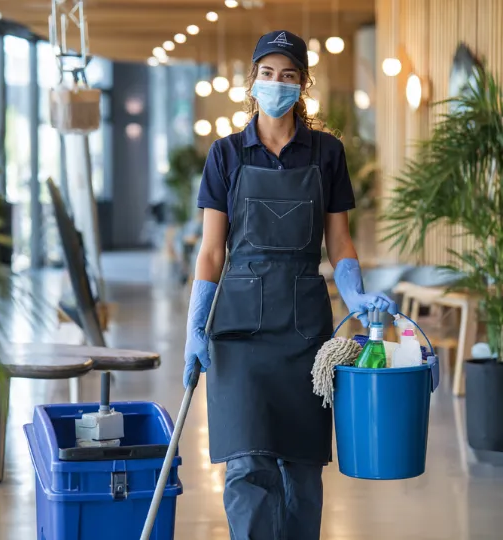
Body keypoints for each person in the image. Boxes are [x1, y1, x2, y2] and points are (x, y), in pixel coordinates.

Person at [184, 30, 398, 540]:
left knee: (302, 467)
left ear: (303, 84)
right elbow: (213, 250)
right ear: (251, 80)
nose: (277, 82)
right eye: (267, 73)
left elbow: (340, 243)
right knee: (246, 466)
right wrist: (194, 326)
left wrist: (356, 295)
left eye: (288, 74)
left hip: (304, 329)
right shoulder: (228, 154)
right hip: (237, 329)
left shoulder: (326, 153)